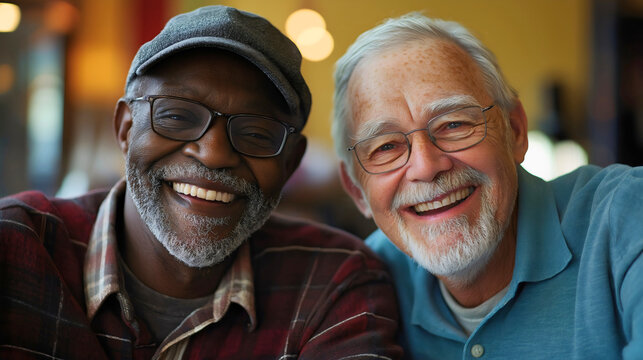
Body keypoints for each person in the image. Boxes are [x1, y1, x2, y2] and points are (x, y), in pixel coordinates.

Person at [0, 6, 402, 359]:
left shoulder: (333, 283)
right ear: (125, 128)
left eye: (257, 133)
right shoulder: (16, 247)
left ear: (291, 163)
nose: (213, 154)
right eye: (176, 116)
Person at [332, 12, 643, 359]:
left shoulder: (627, 215)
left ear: (515, 132)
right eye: (385, 147)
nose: (425, 166)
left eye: (453, 123)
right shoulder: (365, 278)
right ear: (357, 190)